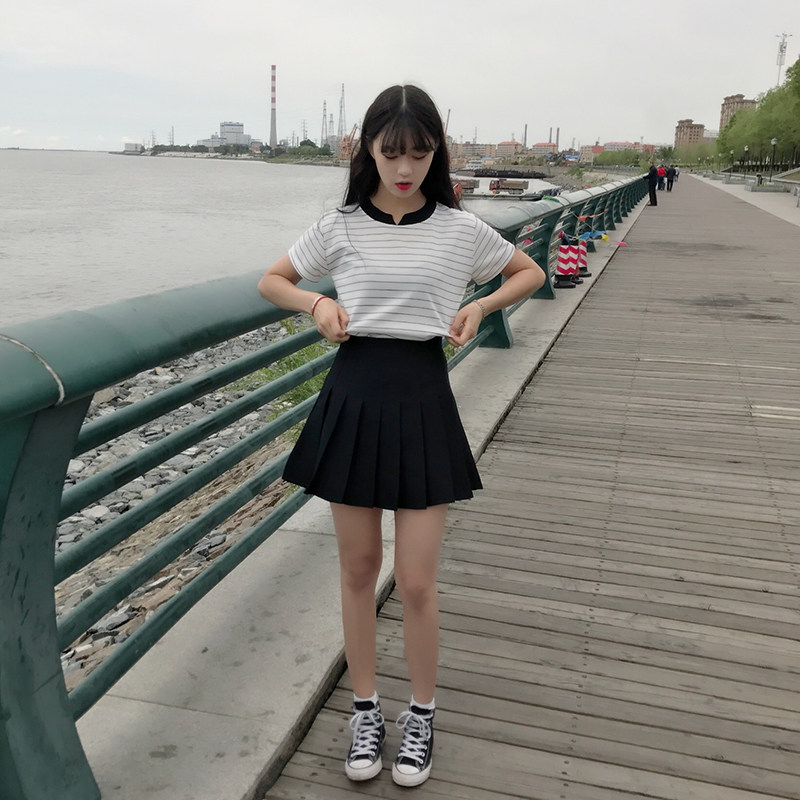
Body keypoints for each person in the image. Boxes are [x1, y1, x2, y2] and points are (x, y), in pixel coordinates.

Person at [258, 84, 544, 788]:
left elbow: (529, 271)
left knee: (416, 580)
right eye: (392, 153)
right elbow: (273, 280)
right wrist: (317, 302)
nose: (406, 167)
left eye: (419, 153)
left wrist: (482, 306)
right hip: (353, 396)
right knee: (358, 571)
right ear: (370, 151)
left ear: (436, 152)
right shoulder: (340, 225)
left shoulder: (458, 229)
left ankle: (421, 713)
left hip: (422, 398)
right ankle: (365, 710)